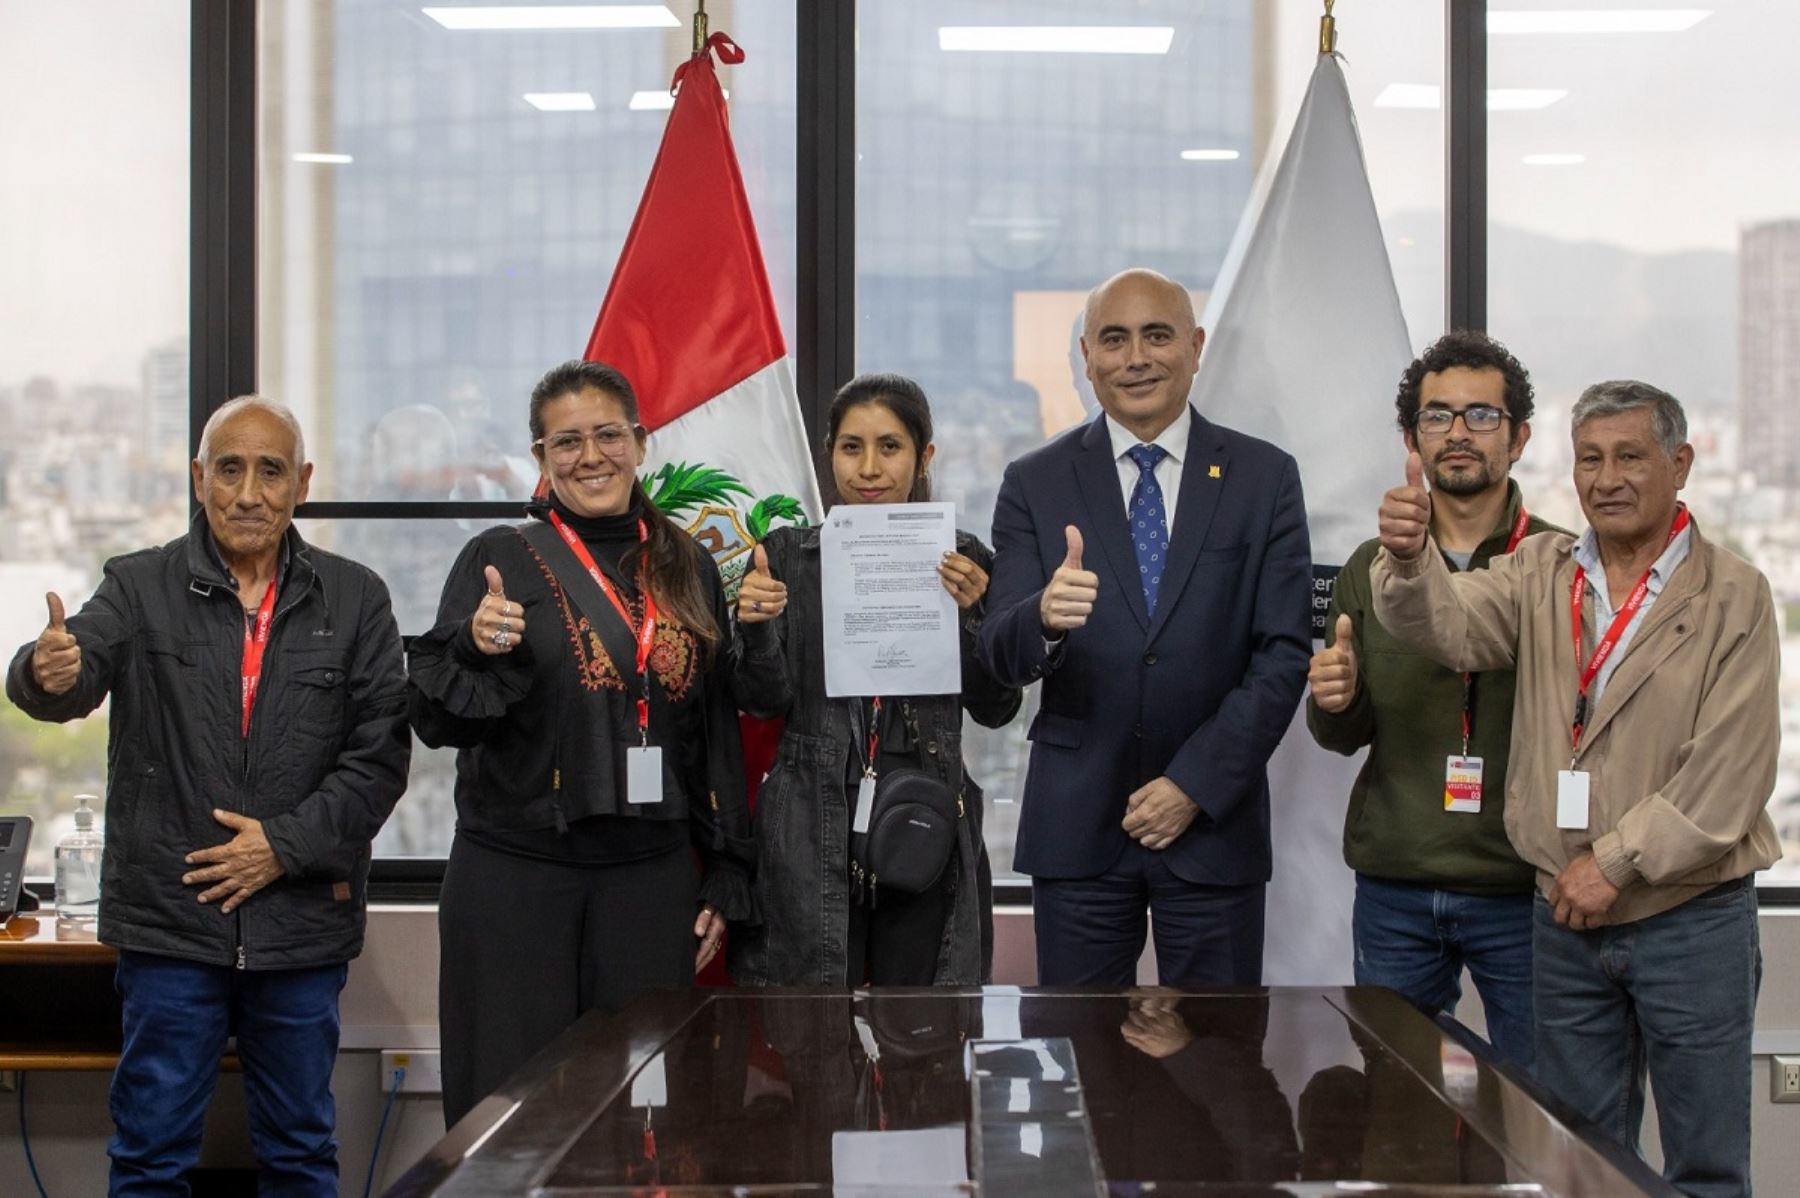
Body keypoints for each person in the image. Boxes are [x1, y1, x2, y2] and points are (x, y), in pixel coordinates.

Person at [1371, 380, 1779, 1197]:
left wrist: (1615, 864)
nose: (1608, 478)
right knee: (1573, 1160)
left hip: (1689, 919)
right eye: (1590, 459)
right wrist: (1410, 560)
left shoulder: (1736, 594)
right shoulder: (1540, 570)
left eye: (1631, 456)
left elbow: (1726, 777)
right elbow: (1443, 624)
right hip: (1564, 921)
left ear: (1682, 464)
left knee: (1705, 1164)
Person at [5, 395, 410, 1195]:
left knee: (300, 1153)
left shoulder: (356, 597)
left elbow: (379, 763)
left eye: (270, 471)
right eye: (230, 469)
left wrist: (280, 847)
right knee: (151, 1155)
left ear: (302, 482)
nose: (249, 493)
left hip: (299, 929)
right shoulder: (137, 584)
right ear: (200, 479)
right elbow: (68, 677)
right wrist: (39, 669)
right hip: (170, 929)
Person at [408, 359, 756, 1127]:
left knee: (647, 1117)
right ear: (539, 457)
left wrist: (728, 866)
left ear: (640, 441)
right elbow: (438, 722)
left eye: (607, 435)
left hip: (648, 882)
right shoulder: (495, 558)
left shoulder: (690, 564)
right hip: (513, 878)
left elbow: (712, 729)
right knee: (507, 1116)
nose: (590, 456)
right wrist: (473, 647)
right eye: (565, 442)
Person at [979, 267, 1312, 986]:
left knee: (1219, 1071)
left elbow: (1282, 656)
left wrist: (1193, 785)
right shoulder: (1034, 482)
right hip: (1077, 827)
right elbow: (999, 651)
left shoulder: (1264, 478)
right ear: (1087, 358)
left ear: (1195, 347)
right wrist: (1041, 617)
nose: (1136, 358)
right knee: (1080, 1066)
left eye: (1157, 336)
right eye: (1114, 339)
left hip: (1212, 823)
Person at [1305, 330, 1563, 1071]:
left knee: (1543, 1105)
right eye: (1437, 416)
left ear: (1518, 439)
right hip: (1397, 882)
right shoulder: (1368, 567)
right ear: (1411, 438)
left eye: (1481, 416)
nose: (1458, 433)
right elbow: (1338, 735)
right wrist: (1334, 698)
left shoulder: (1557, 562)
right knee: (1396, 1103)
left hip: (1521, 885)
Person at [729, 373, 1021, 986]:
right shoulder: (784, 556)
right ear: (829, 452)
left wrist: (973, 618)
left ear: (924, 458)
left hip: (928, 812)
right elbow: (761, 702)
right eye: (851, 446)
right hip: (811, 820)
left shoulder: (965, 557)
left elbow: (997, 707)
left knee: (926, 1039)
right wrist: (755, 626)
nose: (869, 468)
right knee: (815, 1039)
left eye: (890, 446)